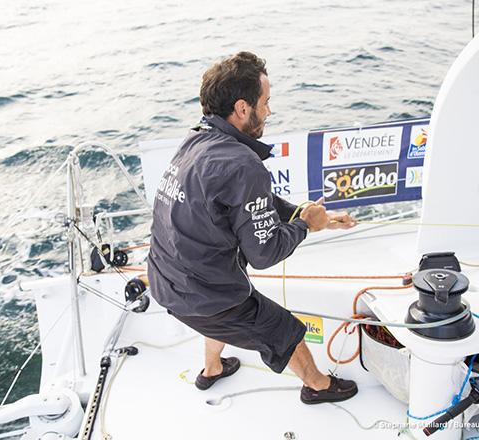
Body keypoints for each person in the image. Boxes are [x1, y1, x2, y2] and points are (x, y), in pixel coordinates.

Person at [147, 51, 358, 404]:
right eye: (266, 102)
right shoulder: (244, 164)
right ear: (243, 109)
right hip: (202, 296)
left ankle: (212, 369)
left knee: (222, 314)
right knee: (282, 329)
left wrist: (299, 214)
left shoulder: (197, 138)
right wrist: (305, 226)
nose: (269, 112)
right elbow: (263, 254)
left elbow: (240, 204)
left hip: (165, 282)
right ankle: (318, 386)